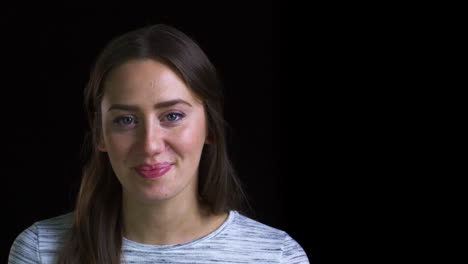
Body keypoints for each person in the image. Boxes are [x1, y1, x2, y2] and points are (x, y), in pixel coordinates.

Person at [8, 24, 309, 264]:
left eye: (173, 115)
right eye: (126, 120)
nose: (150, 145)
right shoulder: (40, 251)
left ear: (210, 128)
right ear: (100, 134)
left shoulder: (277, 256)